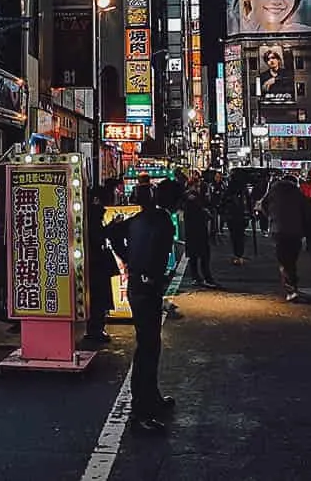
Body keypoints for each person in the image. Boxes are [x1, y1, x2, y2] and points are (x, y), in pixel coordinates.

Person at [106, 184, 177, 435]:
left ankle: (151, 399)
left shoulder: (137, 221)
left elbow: (112, 231)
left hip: (141, 286)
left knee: (150, 345)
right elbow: (163, 249)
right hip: (148, 287)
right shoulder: (160, 220)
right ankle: (140, 410)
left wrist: (127, 258)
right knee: (147, 347)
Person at [258, 174, 308, 302]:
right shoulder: (298, 193)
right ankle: (292, 285)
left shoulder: (274, 189)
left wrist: (271, 216)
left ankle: (291, 287)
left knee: (283, 260)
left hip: (278, 229)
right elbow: (306, 210)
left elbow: (263, 204)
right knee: (291, 259)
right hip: (296, 230)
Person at [83, 183, 118, 345]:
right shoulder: (94, 216)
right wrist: (112, 227)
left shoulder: (88, 214)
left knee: (96, 298)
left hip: (92, 263)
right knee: (99, 298)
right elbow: (98, 236)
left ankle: (94, 328)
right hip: (97, 264)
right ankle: (95, 330)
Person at [182, 186, 216, 288]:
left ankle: (196, 277)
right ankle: (206, 278)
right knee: (204, 256)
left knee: (193, 257)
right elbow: (207, 216)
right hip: (200, 233)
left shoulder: (186, 203)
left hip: (190, 233)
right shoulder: (198, 204)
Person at [223, 175, 250, 265]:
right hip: (241, 216)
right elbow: (249, 202)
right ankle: (239, 255)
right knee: (240, 236)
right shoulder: (244, 190)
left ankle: (237, 255)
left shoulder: (229, 190)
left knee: (234, 236)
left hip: (232, 216)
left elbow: (223, 202)